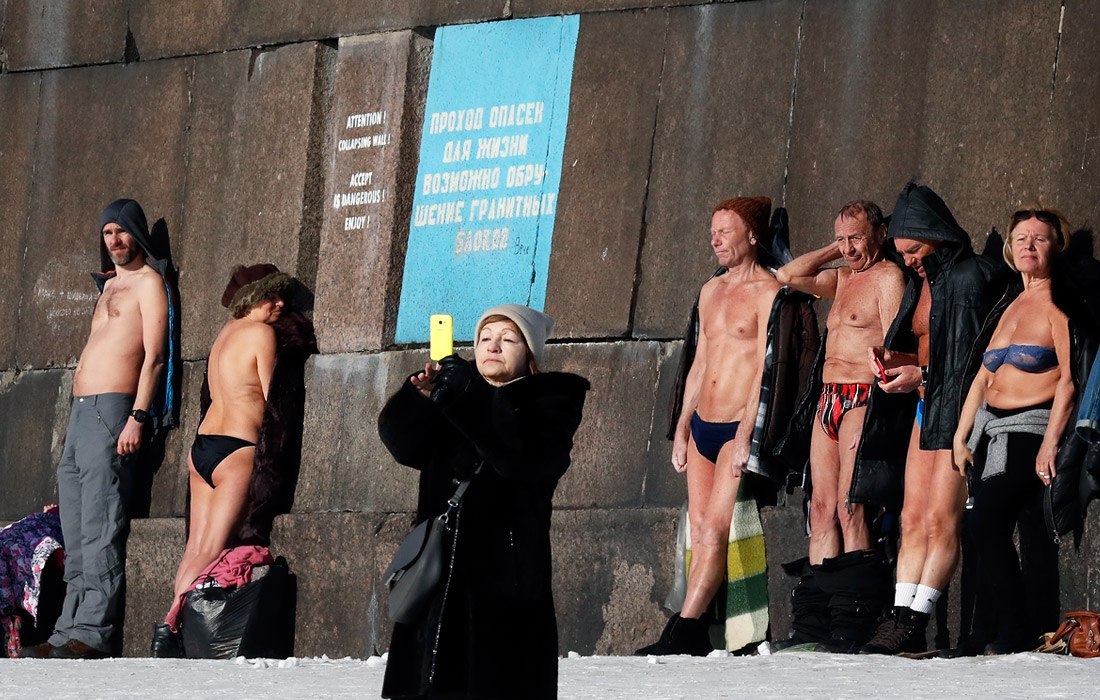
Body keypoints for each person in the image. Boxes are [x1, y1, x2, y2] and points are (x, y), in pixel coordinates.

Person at [378, 304, 589, 699]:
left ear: (529, 355)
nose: (493, 346)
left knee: (496, 681)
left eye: (508, 339)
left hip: (505, 578)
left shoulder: (549, 403)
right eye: (484, 338)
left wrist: (466, 396)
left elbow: (521, 460)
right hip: (438, 572)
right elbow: (404, 447)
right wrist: (417, 397)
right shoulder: (454, 398)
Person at [21, 199, 175, 660]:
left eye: (122, 232)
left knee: (101, 524)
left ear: (137, 235)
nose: (114, 241)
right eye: (107, 233)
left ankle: (92, 632)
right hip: (81, 414)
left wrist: (139, 417)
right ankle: (66, 627)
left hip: (114, 411)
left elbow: (156, 357)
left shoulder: (148, 283)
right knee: (74, 524)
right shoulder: (108, 287)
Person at [860, 182, 1008, 655]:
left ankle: (916, 617)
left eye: (915, 250)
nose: (909, 260)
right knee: (911, 516)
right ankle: (902, 616)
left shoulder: (967, 278)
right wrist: (890, 358)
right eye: (902, 252)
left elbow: (968, 360)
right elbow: (928, 347)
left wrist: (918, 371)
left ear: (938, 236)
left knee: (941, 519)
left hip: (957, 411)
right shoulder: (924, 284)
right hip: (925, 405)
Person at [637, 197, 783, 656]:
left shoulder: (768, 291)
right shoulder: (710, 290)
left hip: (736, 423)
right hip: (701, 422)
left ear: (752, 236)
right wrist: (681, 427)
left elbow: (765, 368)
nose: (715, 239)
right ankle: (698, 631)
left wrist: (746, 435)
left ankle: (683, 628)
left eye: (725, 231)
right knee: (699, 530)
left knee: (716, 529)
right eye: (712, 231)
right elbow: (698, 363)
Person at [774, 201, 907, 652]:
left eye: (856, 238)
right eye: (842, 239)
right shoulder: (844, 277)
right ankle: (816, 623)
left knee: (853, 508)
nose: (849, 248)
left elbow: (895, 344)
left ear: (880, 234)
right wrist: (836, 248)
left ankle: (854, 617)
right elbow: (788, 275)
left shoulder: (888, 277)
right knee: (820, 508)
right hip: (827, 399)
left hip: (863, 397)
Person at [151, 264, 300, 657]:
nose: (280, 304)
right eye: (273, 296)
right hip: (236, 448)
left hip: (202, 448)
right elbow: (272, 400)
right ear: (254, 298)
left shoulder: (224, 335)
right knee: (212, 547)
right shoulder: (262, 334)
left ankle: (170, 627)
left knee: (195, 546)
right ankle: (169, 625)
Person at [950, 207, 1075, 655]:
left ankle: (1016, 627)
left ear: (1055, 247)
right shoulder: (1009, 304)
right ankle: (990, 633)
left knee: (986, 524)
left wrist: (1050, 443)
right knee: (1006, 529)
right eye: (1021, 237)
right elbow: (983, 378)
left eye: (1039, 239)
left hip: (1030, 428)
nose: (1028, 245)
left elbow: (1069, 378)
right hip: (991, 432)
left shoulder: (1060, 301)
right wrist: (960, 436)